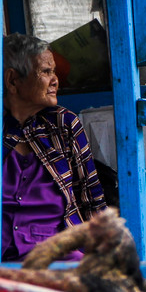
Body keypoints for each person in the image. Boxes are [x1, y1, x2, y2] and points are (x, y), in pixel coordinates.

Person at [2, 34, 105, 261]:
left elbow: (91, 198)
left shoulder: (62, 125)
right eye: (46, 72)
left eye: (53, 71)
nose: (55, 80)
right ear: (12, 81)